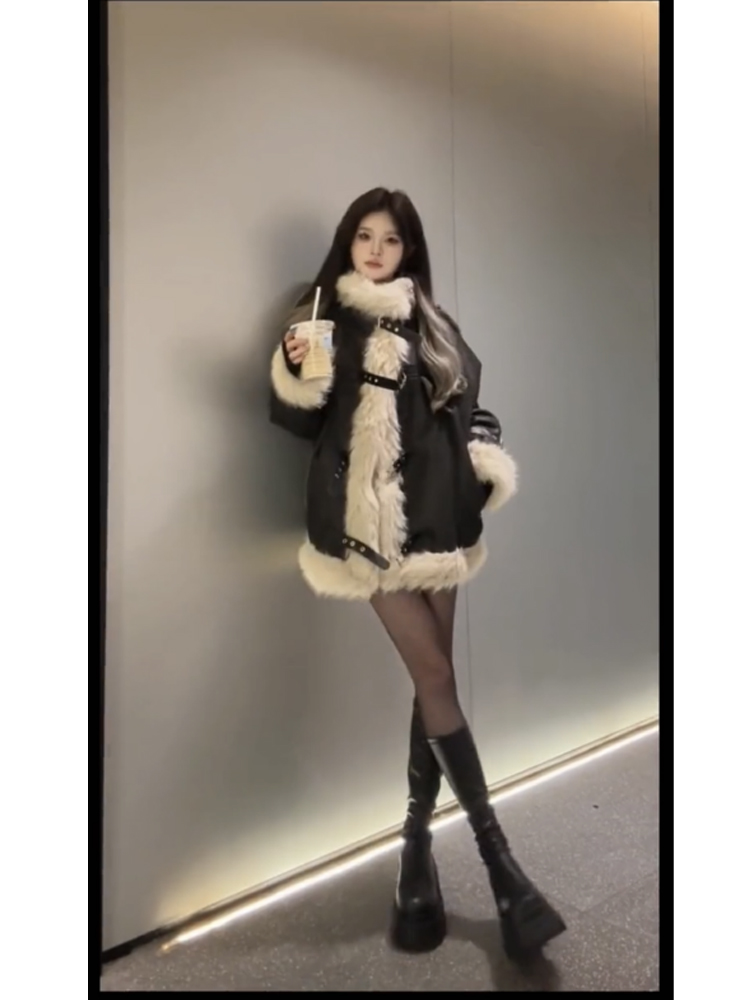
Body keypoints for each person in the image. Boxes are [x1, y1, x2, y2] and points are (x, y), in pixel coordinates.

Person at [268, 188, 565, 962]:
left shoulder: (435, 322)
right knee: (435, 677)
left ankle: (415, 851)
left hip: (441, 521)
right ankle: (503, 871)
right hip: (371, 533)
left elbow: (474, 410)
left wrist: (482, 468)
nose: (375, 250)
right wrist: (296, 369)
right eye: (364, 236)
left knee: (434, 683)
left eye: (391, 239)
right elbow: (300, 420)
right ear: (348, 243)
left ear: (409, 250)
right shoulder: (324, 315)